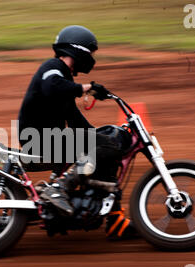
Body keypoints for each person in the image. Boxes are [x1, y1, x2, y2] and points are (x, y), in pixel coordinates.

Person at [17, 25, 137, 239]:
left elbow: (75, 120)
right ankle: (59, 188)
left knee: (105, 149)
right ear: (78, 49)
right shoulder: (52, 67)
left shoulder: (66, 82)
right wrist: (86, 88)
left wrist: (101, 138)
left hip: (51, 140)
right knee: (102, 145)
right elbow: (51, 86)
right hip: (38, 140)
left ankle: (114, 219)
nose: (91, 58)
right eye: (90, 52)